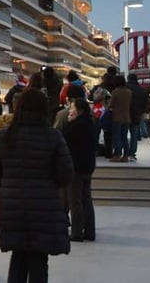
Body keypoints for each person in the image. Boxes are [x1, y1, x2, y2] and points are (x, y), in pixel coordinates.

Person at [0, 88, 73, 283]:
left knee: (18, 257)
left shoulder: (5, 136)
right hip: (44, 206)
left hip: (13, 206)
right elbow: (66, 174)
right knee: (39, 260)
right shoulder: (53, 137)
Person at [62, 98, 97, 242]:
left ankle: (76, 232)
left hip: (76, 167)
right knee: (86, 199)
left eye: (72, 108)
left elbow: (64, 140)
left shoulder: (76, 126)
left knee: (75, 200)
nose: (70, 111)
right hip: (88, 166)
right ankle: (89, 231)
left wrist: (69, 123)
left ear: (79, 110)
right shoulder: (90, 123)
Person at [108, 76, 131, 162]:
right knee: (124, 137)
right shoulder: (129, 92)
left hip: (117, 117)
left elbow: (111, 104)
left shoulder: (115, 91)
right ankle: (126, 156)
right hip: (127, 117)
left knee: (117, 136)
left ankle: (117, 155)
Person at [126, 73, 148, 162]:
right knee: (134, 135)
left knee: (123, 134)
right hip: (136, 114)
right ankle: (132, 153)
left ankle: (125, 152)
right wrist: (141, 111)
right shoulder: (141, 90)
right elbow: (145, 102)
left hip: (125, 114)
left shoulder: (125, 88)